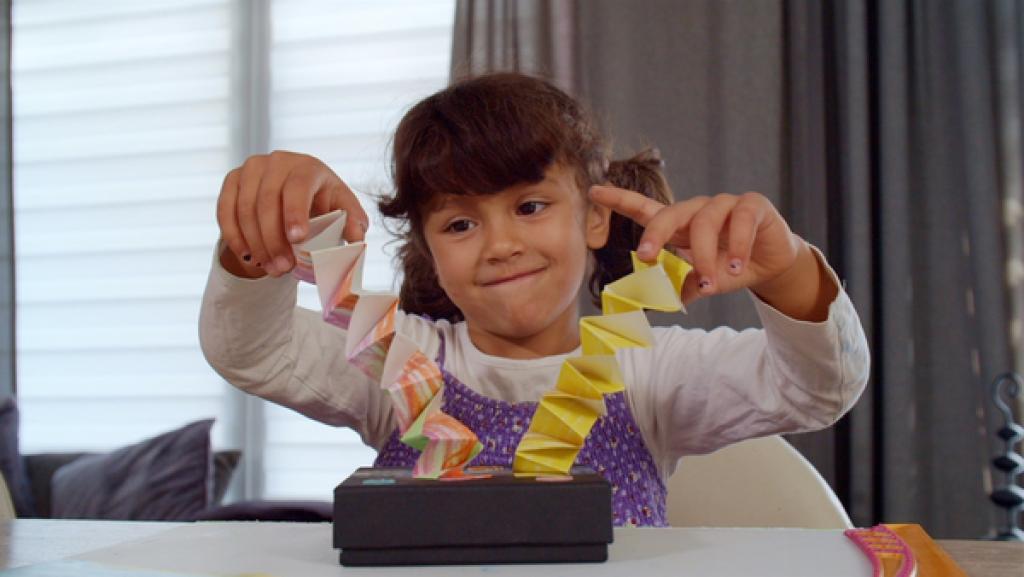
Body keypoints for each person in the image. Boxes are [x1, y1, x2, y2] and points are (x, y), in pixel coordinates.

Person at [200, 72, 869, 527]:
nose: (500, 243)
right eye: (460, 223)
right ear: (429, 249)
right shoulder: (401, 363)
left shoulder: (649, 371)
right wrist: (261, 235)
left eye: (530, 205)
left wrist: (788, 272)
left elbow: (817, 386)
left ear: (594, 218)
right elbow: (251, 350)